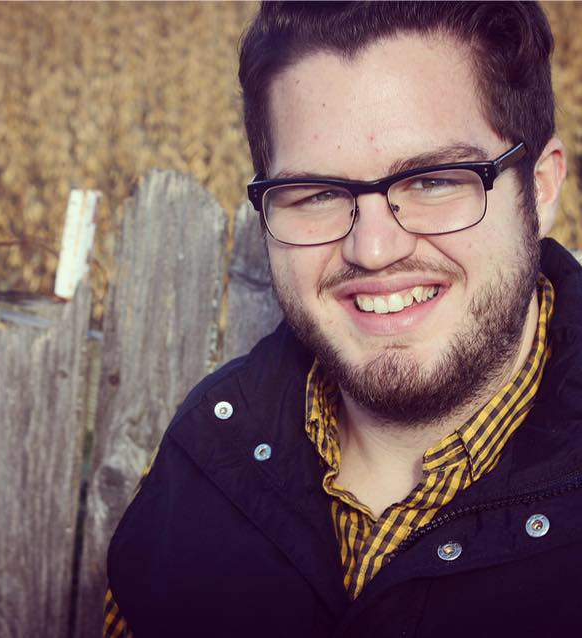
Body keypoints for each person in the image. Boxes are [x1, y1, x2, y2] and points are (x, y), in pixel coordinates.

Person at [105, 2, 582, 636]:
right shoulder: (202, 463)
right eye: (320, 194)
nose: (373, 250)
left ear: (540, 189)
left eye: (433, 181)